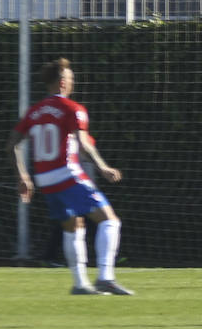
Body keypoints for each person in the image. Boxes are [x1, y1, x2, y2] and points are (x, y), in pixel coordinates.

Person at [7, 58, 133, 295]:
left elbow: (11, 144)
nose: (73, 83)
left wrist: (23, 176)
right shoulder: (73, 109)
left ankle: (80, 284)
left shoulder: (33, 112)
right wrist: (103, 167)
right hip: (68, 175)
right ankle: (105, 277)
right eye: (72, 80)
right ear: (63, 83)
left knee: (73, 226)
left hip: (45, 179)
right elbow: (84, 144)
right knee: (109, 220)